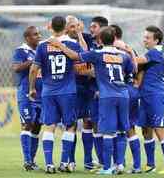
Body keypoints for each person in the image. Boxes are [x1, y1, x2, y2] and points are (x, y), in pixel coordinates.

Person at [48, 26, 135, 175]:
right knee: (122, 130)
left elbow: (75, 56)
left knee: (107, 132)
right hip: (123, 95)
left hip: (107, 96)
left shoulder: (96, 54)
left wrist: (60, 45)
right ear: (114, 39)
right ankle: (119, 165)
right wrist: (130, 51)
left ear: (100, 40)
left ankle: (107, 168)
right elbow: (132, 70)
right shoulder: (123, 55)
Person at [28, 16, 83, 174]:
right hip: (68, 91)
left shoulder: (43, 46)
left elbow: (33, 69)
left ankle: (49, 164)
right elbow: (80, 61)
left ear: (50, 27)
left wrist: (32, 88)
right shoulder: (73, 44)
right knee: (70, 125)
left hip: (48, 92)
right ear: (65, 27)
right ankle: (65, 162)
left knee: (49, 126)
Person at [136, 26, 164, 174]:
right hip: (145, 96)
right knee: (146, 130)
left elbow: (138, 60)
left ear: (156, 40)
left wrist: (123, 52)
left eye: (147, 38)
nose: (144, 40)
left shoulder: (155, 53)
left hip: (156, 96)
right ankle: (150, 164)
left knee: (160, 129)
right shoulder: (152, 53)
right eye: (144, 37)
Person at [64, 15, 96, 170]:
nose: (75, 29)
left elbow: (86, 53)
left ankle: (88, 161)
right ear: (65, 28)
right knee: (71, 123)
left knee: (88, 121)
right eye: (72, 26)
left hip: (88, 87)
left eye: (77, 25)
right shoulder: (63, 42)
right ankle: (70, 160)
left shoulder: (88, 39)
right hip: (71, 88)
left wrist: (79, 35)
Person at [111, 24, 141, 173]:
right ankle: (136, 165)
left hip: (120, 90)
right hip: (132, 89)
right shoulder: (130, 49)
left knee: (118, 129)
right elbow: (137, 70)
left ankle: (119, 163)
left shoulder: (113, 49)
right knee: (130, 129)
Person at [11, 26, 42, 171]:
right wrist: (33, 61)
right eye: (35, 34)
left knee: (36, 127)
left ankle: (32, 161)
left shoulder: (41, 50)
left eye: (39, 34)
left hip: (41, 94)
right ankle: (27, 161)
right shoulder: (21, 51)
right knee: (27, 124)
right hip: (26, 93)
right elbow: (16, 68)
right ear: (28, 38)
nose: (39, 36)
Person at [82, 16, 109, 168]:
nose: (90, 29)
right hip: (88, 90)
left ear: (103, 29)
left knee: (102, 125)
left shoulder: (113, 46)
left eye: (94, 27)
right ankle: (88, 161)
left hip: (105, 92)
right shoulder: (87, 39)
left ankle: (106, 161)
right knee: (87, 122)